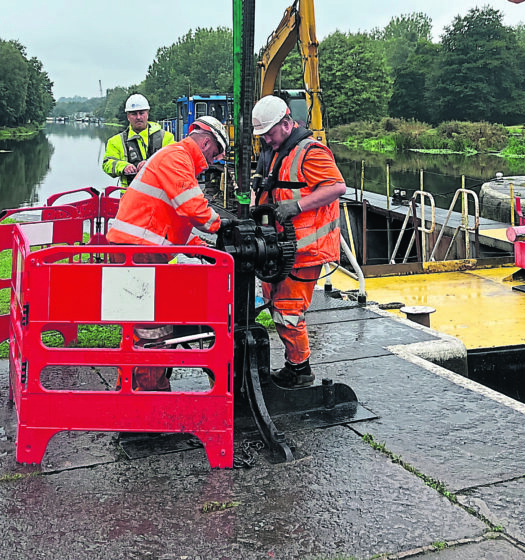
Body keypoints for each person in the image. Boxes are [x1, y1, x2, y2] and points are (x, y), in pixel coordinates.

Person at [105, 115, 232, 391]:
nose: (216, 160)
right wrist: (225, 225)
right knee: (152, 330)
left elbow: (165, 217)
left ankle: (127, 390)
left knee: (136, 329)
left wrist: (195, 246)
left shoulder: (174, 157)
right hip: (137, 253)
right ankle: (149, 397)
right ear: (207, 142)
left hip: (134, 250)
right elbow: (193, 207)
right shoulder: (178, 158)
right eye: (217, 153)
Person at [251, 95, 346, 390]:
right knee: (278, 307)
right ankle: (295, 365)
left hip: (306, 247)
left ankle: (300, 370)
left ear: (286, 122)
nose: (266, 138)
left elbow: (337, 187)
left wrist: (298, 206)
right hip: (281, 246)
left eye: (269, 132)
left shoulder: (310, 151)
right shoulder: (273, 151)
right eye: (262, 134)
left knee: (289, 310)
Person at [102, 93, 174, 188]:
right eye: (134, 114)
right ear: (128, 116)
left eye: (141, 113)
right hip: (129, 196)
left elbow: (174, 161)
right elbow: (107, 164)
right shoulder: (115, 141)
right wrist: (123, 167)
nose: (138, 117)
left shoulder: (166, 137)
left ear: (147, 114)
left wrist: (150, 164)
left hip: (159, 194)